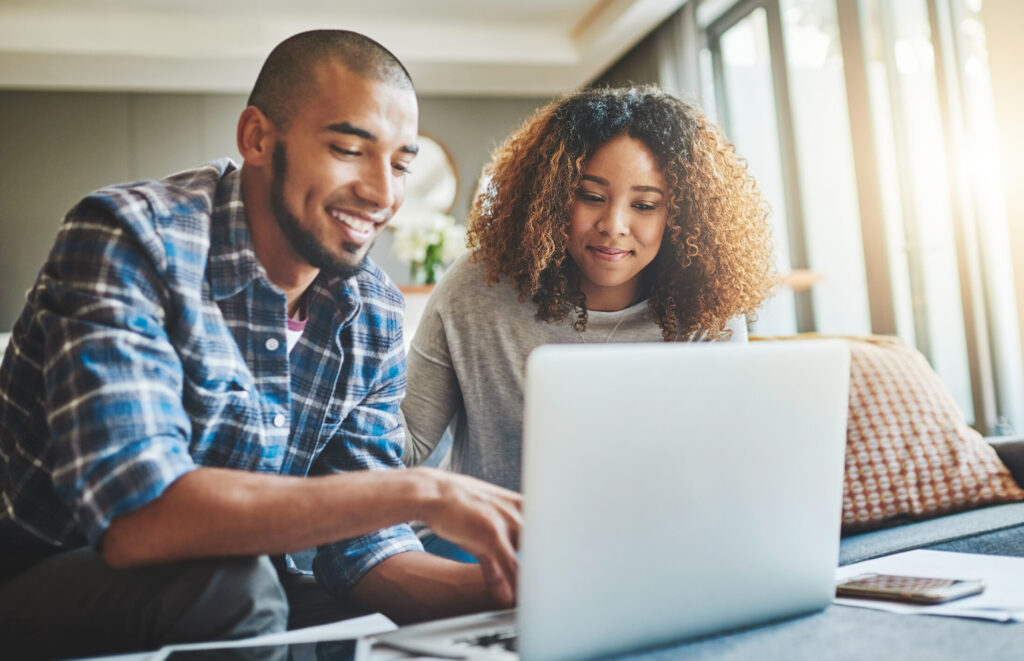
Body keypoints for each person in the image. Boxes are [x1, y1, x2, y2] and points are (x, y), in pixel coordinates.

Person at [0, 30, 521, 660]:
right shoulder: (129, 239)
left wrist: (515, 592)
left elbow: (364, 551)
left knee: (362, 632)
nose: (383, 194)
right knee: (240, 591)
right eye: (349, 149)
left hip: (238, 584)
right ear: (257, 138)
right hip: (42, 579)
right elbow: (139, 517)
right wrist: (423, 491)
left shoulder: (372, 311)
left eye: (401, 164)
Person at [401, 87, 774, 557]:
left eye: (644, 205)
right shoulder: (478, 287)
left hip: (650, 544)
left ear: (679, 216)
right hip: (490, 547)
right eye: (591, 196)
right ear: (553, 195)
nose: (614, 224)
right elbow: (407, 444)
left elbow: (721, 465)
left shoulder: (705, 309)